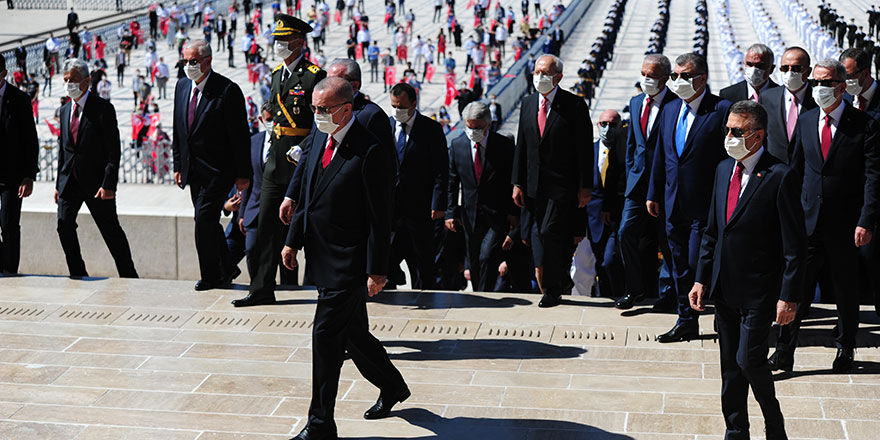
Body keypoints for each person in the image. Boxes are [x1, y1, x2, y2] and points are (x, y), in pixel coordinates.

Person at [281, 77, 409, 440]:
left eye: (323, 110)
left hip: (349, 262)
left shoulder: (370, 151)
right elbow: (307, 193)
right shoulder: (320, 138)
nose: (317, 115)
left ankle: (320, 424)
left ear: (346, 110)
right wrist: (292, 242)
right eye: (314, 109)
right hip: (321, 255)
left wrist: (377, 270)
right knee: (352, 333)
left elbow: (379, 217)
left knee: (325, 336)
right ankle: (393, 385)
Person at [691, 100, 805, 440]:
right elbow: (713, 230)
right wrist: (700, 277)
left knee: (749, 360)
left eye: (736, 131)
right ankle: (736, 429)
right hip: (724, 287)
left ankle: (775, 424)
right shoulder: (723, 170)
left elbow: (794, 245)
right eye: (727, 129)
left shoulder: (780, 176)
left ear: (757, 136)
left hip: (759, 291)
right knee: (730, 367)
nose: (728, 136)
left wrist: (789, 297)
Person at [770, 59, 880, 374]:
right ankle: (783, 351)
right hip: (808, 221)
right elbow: (796, 171)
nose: (820, 88)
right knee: (796, 290)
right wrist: (789, 215)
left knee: (846, 290)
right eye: (816, 82)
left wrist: (866, 219)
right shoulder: (806, 122)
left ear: (842, 87)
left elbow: (873, 177)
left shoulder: (865, 125)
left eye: (827, 83)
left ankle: (845, 348)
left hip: (846, 223)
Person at [233, 14, 324, 307]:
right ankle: (261, 289)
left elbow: (322, 121)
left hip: (302, 163)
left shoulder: (314, 76)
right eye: (277, 41)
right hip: (275, 162)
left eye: (283, 41)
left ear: (299, 42)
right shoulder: (276, 74)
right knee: (266, 231)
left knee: (310, 228)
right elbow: (274, 106)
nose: (278, 45)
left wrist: (305, 148)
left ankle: (324, 288)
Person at [647, 53, 732, 342]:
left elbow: (730, 159)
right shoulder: (670, 109)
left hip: (706, 206)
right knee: (678, 265)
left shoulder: (721, 110)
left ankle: (723, 317)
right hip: (673, 203)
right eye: (675, 77)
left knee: (701, 265)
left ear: (702, 78)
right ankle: (686, 320)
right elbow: (661, 153)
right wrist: (653, 193)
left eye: (685, 76)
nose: (678, 82)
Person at [512, 54, 592, 307]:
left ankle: (554, 287)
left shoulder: (574, 106)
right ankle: (550, 283)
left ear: (558, 77)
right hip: (534, 186)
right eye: (536, 72)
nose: (539, 77)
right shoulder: (528, 103)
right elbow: (521, 147)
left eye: (545, 73)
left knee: (550, 232)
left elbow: (584, 150)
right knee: (538, 234)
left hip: (562, 186)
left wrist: (585, 186)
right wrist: (517, 182)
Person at [171, 40, 251, 291]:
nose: (188, 66)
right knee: (205, 220)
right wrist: (177, 164)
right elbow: (178, 130)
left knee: (203, 221)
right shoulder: (182, 86)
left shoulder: (227, 90)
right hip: (193, 170)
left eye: (193, 62)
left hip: (219, 171)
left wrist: (243, 174)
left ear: (207, 61)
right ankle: (226, 267)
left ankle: (211, 275)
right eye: (185, 61)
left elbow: (239, 137)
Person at [55, 59, 138, 279]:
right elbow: (63, 150)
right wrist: (58, 185)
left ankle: (129, 275)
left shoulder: (103, 109)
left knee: (111, 231)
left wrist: (108, 184)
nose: (68, 84)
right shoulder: (64, 110)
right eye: (65, 80)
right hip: (69, 182)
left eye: (73, 80)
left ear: (86, 81)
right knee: (63, 226)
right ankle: (77, 272)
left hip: (96, 184)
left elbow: (113, 151)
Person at [616, 54, 677, 310]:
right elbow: (633, 144)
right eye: (643, 74)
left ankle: (668, 293)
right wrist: (632, 171)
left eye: (651, 75)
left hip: (663, 186)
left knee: (667, 241)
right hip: (637, 184)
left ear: (665, 77)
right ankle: (634, 289)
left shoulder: (676, 104)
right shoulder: (636, 101)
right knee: (625, 233)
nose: (645, 79)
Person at [446, 102, 517, 292]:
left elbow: (513, 181)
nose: (472, 131)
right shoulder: (457, 145)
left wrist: (513, 213)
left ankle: (486, 295)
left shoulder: (503, 146)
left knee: (487, 256)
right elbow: (452, 183)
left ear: (488, 125)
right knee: (475, 260)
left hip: (497, 215)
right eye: (469, 127)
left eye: (477, 128)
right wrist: (451, 212)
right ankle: (479, 294)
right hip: (470, 216)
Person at [386, 82, 448, 290]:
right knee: (387, 259)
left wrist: (438, 204)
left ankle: (426, 295)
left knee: (422, 262)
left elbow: (441, 169)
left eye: (401, 107)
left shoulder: (430, 129)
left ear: (414, 104)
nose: (397, 111)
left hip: (420, 209)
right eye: (394, 106)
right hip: (391, 210)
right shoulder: (385, 126)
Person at [0, 57, 39, 275]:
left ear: (4, 74)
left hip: (12, 176)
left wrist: (29, 175)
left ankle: (10, 270)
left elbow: (30, 139)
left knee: (9, 225)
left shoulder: (19, 99)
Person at [587, 110, 625, 298]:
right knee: (600, 264)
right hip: (593, 220)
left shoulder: (627, 153)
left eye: (613, 125)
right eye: (604, 124)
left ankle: (619, 295)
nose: (607, 129)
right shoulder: (588, 152)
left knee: (610, 261)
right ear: (597, 125)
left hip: (618, 219)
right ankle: (605, 300)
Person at [758, 46, 816, 165]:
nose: (790, 73)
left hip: (805, 172)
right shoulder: (767, 97)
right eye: (785, 68)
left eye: (796, 68)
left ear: (808, 71)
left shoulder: (817, 99)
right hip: (775, 171)